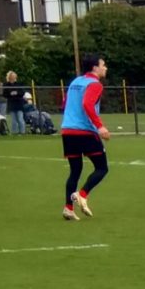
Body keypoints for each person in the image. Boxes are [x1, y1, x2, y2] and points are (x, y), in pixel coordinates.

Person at [60, 55, 110, 221]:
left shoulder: (75, 82)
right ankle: (82, 194)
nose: (105, 68)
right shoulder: (95, 84)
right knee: (102, 168)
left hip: (67, 131)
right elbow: (87, 105)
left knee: (75, 170)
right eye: (103, 65)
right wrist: (100, 126)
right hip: (84, 132)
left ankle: (68, 208)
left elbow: (64, 103)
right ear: (95, 68)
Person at [2, 71, 28, 135]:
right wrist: (10, 94)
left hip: (19, 103)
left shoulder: (19, 84)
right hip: (11, 104)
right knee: (13, 120)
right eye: (12, 76)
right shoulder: (6, 85)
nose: (13, 77)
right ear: (9, 77)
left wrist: (17, 93)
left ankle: (22, 132)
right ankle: (14, 132)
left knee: (20, 118)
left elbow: (22, 92)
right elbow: (4, 94)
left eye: (14, 76)